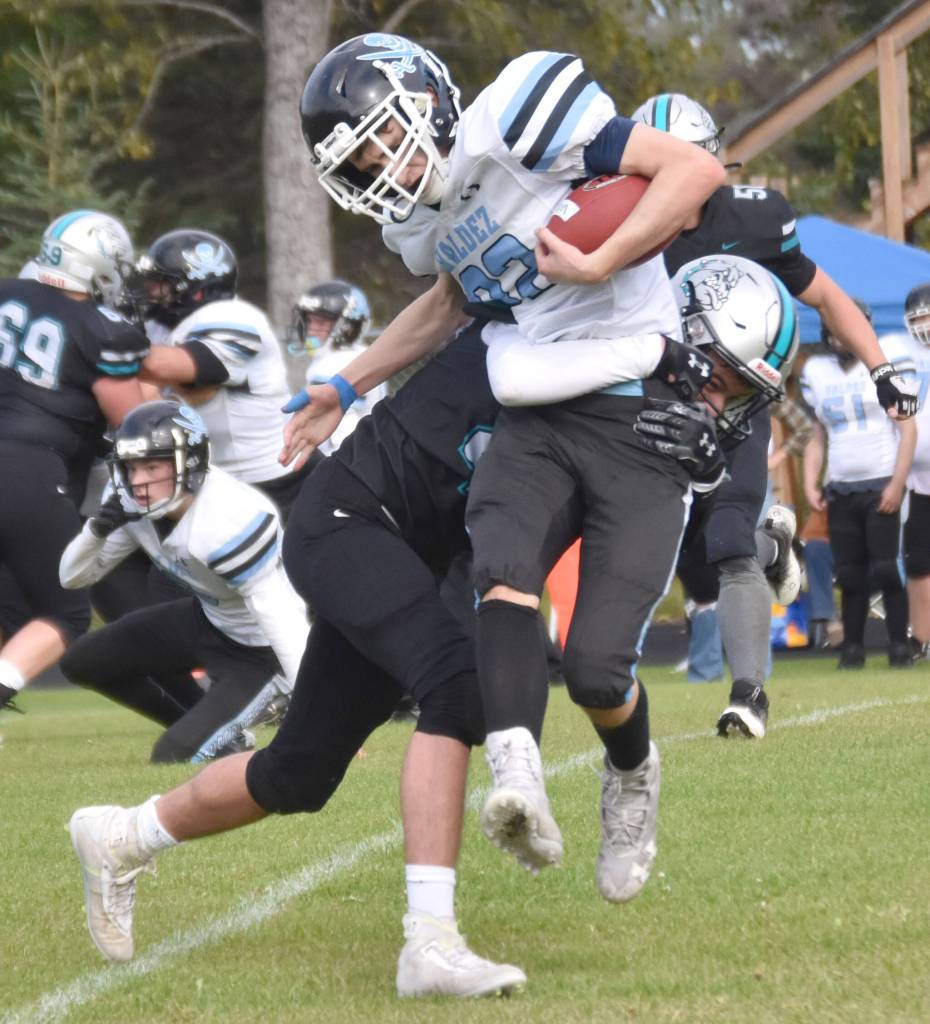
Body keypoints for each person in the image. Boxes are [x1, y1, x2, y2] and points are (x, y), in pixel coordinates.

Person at [289, 34, 727, 900]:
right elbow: (450, 298)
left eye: (384, 134)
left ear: (427, 99)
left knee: (601, 668)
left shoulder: (522, 113)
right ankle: (517, 774)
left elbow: (692, 176)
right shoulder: (420, 217)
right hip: (532, 400)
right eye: (363, 157)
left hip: (633, 391)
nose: (384, 164)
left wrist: (603, 257)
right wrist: (348, 381)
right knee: (501, 566)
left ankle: (633, 771)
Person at [69, 321, 526, 997]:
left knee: (299, 773)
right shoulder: (526, 333)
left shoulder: (582, 374)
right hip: (350, 524)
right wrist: (344, 384)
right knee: (456, 685)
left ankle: (122, 835)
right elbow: (443, 300)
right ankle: (430, 943)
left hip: (398, 551)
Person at [632, 92, 918, 737]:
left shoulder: (754, 221)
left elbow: (823, 292)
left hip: (737, 404)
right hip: (650, 409)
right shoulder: (618, 221)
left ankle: (747, 697)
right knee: (689, 559)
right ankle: (775, 545)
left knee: (729, 546)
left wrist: (881, 368)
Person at [58, 400, 309, 761]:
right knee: (81, 662)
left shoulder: (228, 520)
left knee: (171, 758)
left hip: (259, 652)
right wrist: (96, 529)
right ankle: (209, 731)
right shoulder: (133, 501)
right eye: (131, 467)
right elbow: (72, 577)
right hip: (208, 619)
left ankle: (204, 735)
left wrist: (317, 715)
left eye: (152, 465)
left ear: (189, 463)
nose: (138, 480)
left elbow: (283, 618)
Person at [0, 210, 148, 714]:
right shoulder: (100, 328)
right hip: (27, 469)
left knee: (13, 610)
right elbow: (134, 423)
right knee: (64, 612)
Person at [136, 229, 317, 520]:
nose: (152, 292)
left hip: (277, 481)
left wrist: (103, 339)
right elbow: (143, 396)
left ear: (195, 286)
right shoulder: (162, 325)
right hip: (218, 481)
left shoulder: (235, 317)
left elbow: (161, 367)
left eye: (162, 283)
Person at [800, 307, 916, 668]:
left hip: (880, 480)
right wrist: (810, 482)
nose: (840, 336)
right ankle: (853, 648)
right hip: (841, 486)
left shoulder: (883, 365)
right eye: (833, 329)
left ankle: (900, 645)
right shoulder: (816, 372)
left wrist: (897, 482)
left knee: (884, 567)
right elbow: (818, 436)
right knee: (849, 573)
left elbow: (907, 428)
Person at [287, 279, 389, 454]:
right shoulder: (362, 353)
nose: (311, 329)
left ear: (347, 327)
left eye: (320, 322)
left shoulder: (333, 365)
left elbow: (342, 433)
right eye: (309, 321)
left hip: (349, 456)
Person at [896, 282, 930, 656]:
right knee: (919, 562)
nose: (924, 325)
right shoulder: (898, 352)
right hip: (918, 479)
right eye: (918, 318)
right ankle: (922, 638)